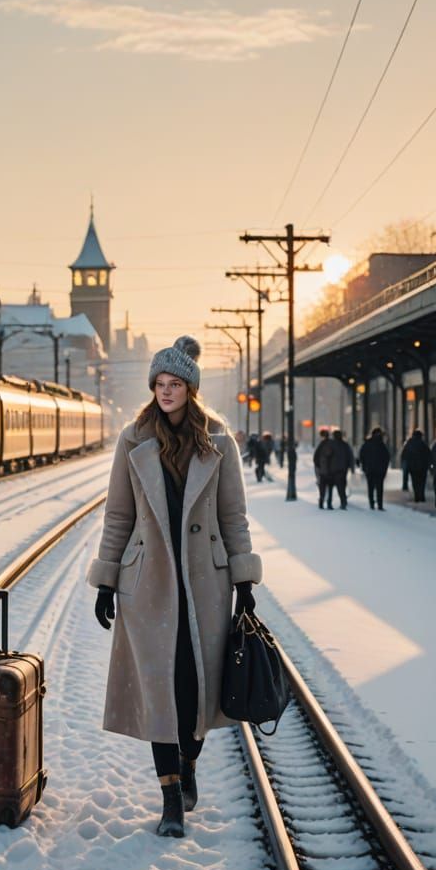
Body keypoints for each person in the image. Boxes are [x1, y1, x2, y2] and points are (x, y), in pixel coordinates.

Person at [88, 336, 261, 840]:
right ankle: (170, 799)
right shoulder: (132, 440)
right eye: (159, 384)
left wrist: (244, 580)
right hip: (147, 586)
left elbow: (233, 516)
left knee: (195, 689)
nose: (166, 392)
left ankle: (189, 765)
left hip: (206, 585)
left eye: (175, 384)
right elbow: (118, 514)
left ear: (191, 388)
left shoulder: (219, 442)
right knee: (160, 691)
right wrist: (106, 578)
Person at [359, 426, 390, 510]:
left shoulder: (367, 444)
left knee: (371, 487)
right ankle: (379, 505)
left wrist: (364, 467)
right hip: (379, 470)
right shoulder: (382, 445)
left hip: (370, 469)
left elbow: (361, 456)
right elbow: (386, 458)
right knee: (379, 488)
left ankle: (372, 503)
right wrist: (384, 468)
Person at [401, 429, 431, 503]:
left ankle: (417, 496)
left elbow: (404, 455)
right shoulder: (423, 444)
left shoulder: (409, 444)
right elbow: (429, 455)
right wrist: (428, 464)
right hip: (422, 467)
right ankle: (422, 496)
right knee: (422, 482)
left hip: (413, 467)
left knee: (415, 482)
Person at [330, 428, 354, 509]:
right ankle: (343, 501)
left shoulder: (331, 444)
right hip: (343, 469)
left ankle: (334, 502)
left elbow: (327, 456)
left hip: (333, 469)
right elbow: (350, 457)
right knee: (342, 485)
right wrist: (352, 467)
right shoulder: (345, 445)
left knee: (333, 486)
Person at [313, 427, 335, 509]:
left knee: (322, 488)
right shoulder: (333, 444)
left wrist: (318, 469)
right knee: (330, 488)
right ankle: (329, 503)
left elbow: (315, 459)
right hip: (331, 471)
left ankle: (321, 502)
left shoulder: (321, 445)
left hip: (323, 471)